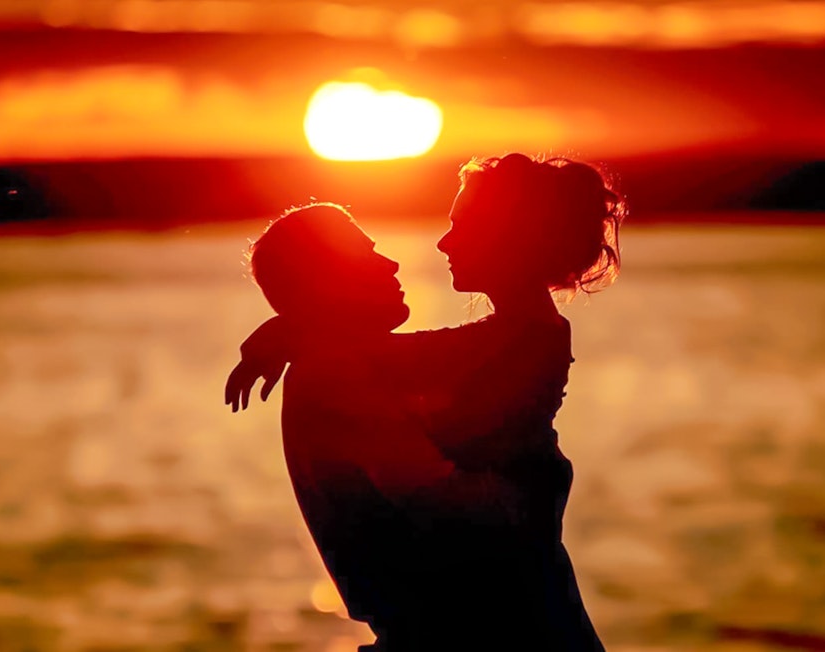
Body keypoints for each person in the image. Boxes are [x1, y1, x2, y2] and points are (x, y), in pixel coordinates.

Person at [227, 153, 623, 651]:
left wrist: (295, 326)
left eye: (462, 226)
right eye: (364, 254)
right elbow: (464, 509)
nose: (435, 245)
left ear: (513, 242)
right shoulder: (342, 376)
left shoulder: (516, 339)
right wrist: (297, 326)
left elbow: (409, 357)